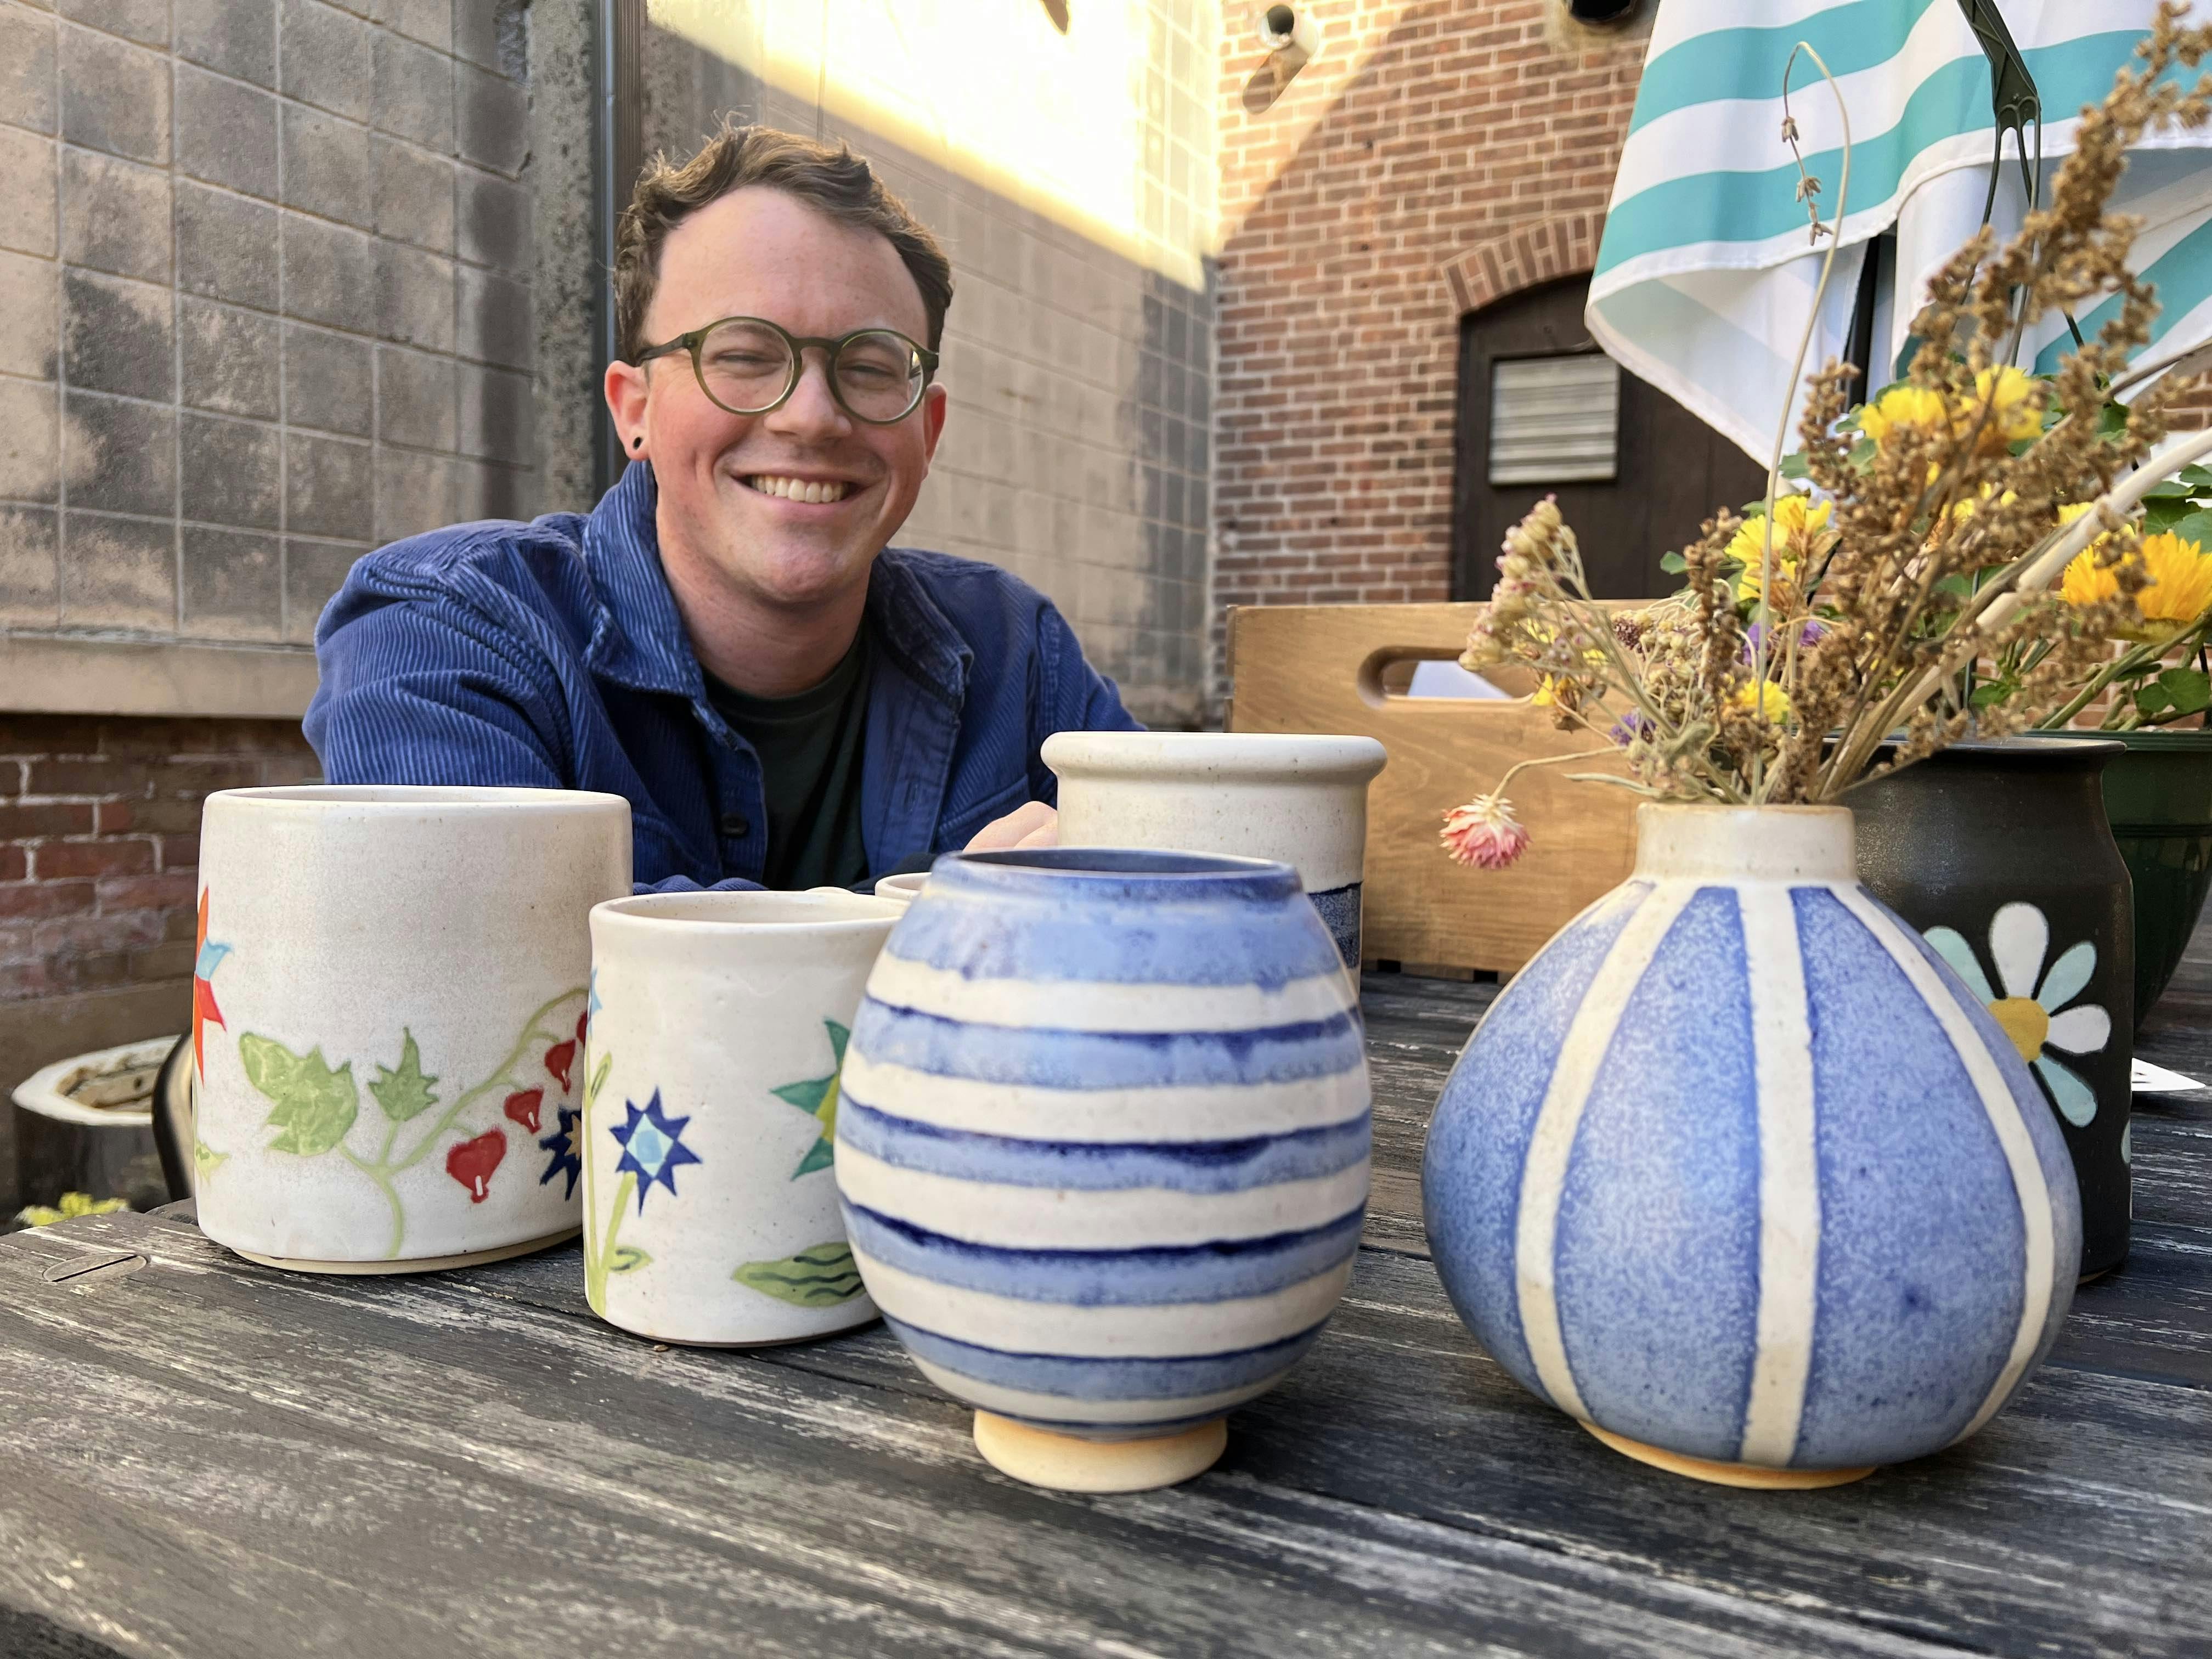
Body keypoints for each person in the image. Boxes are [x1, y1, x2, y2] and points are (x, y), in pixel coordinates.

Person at [306, 123, 1140, 890]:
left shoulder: (1018, 656)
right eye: (743, 355)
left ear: (928, 429)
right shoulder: (447, 625)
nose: (812, 417)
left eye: (872, 367)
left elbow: (1195, 884)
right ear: (634, 409)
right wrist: (960, 914)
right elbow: (509, 961)